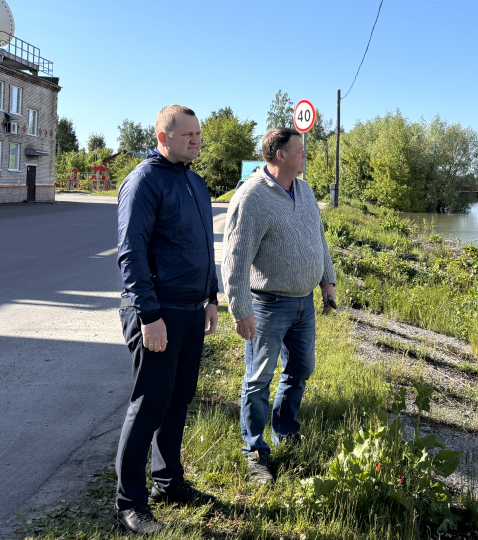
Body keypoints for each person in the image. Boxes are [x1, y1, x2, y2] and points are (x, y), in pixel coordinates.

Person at [113, 105, 219, 535]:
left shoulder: (195, 182)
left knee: (178, 401)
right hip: (158, 312)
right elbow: (131, 253)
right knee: (149, 405)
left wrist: (211, 297)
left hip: (193, 311)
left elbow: (206, 247)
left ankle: (167, 482)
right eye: (187, 134)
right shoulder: (144, 181)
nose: (195, 140)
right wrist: (149, 315)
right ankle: (128, 504)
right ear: (162, 137)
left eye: (198, 134)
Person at [223, 127, 336, 484]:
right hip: (268, 304)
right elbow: (235, 259)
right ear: (280, 156)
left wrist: (327, 284)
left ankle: (285, 431)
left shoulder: (304, 190)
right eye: (299, 150)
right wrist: (240, 310)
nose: (305, 155)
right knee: (258, 379)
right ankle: (254, 450)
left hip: (303, 302)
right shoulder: (252, 197)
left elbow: (319, 239)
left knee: (301, 370)